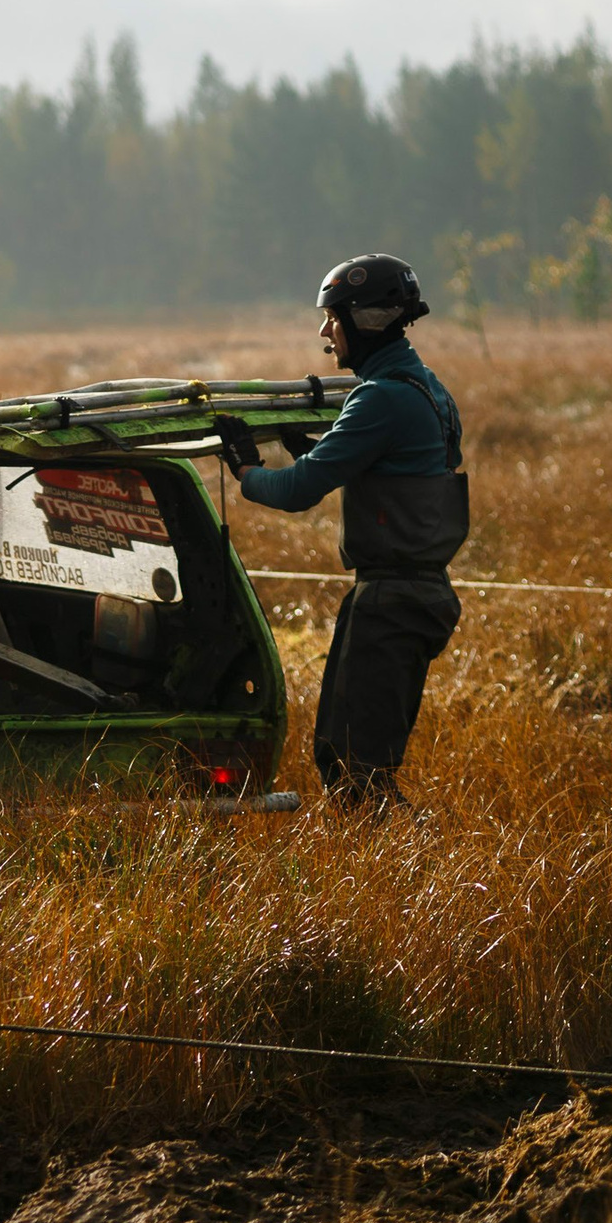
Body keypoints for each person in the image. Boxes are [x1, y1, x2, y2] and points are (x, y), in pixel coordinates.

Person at [224, 254, 468, 808]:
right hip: (409, 593)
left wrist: (245, 471)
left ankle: (414, 878)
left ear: (365, 320)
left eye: (333, 318)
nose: (324, 333)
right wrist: (313, 450)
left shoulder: (381, 397)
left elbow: (295, 493)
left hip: (393, 597)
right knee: (346, 756)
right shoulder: (427, 388)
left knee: (357, 769)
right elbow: (394, 471)